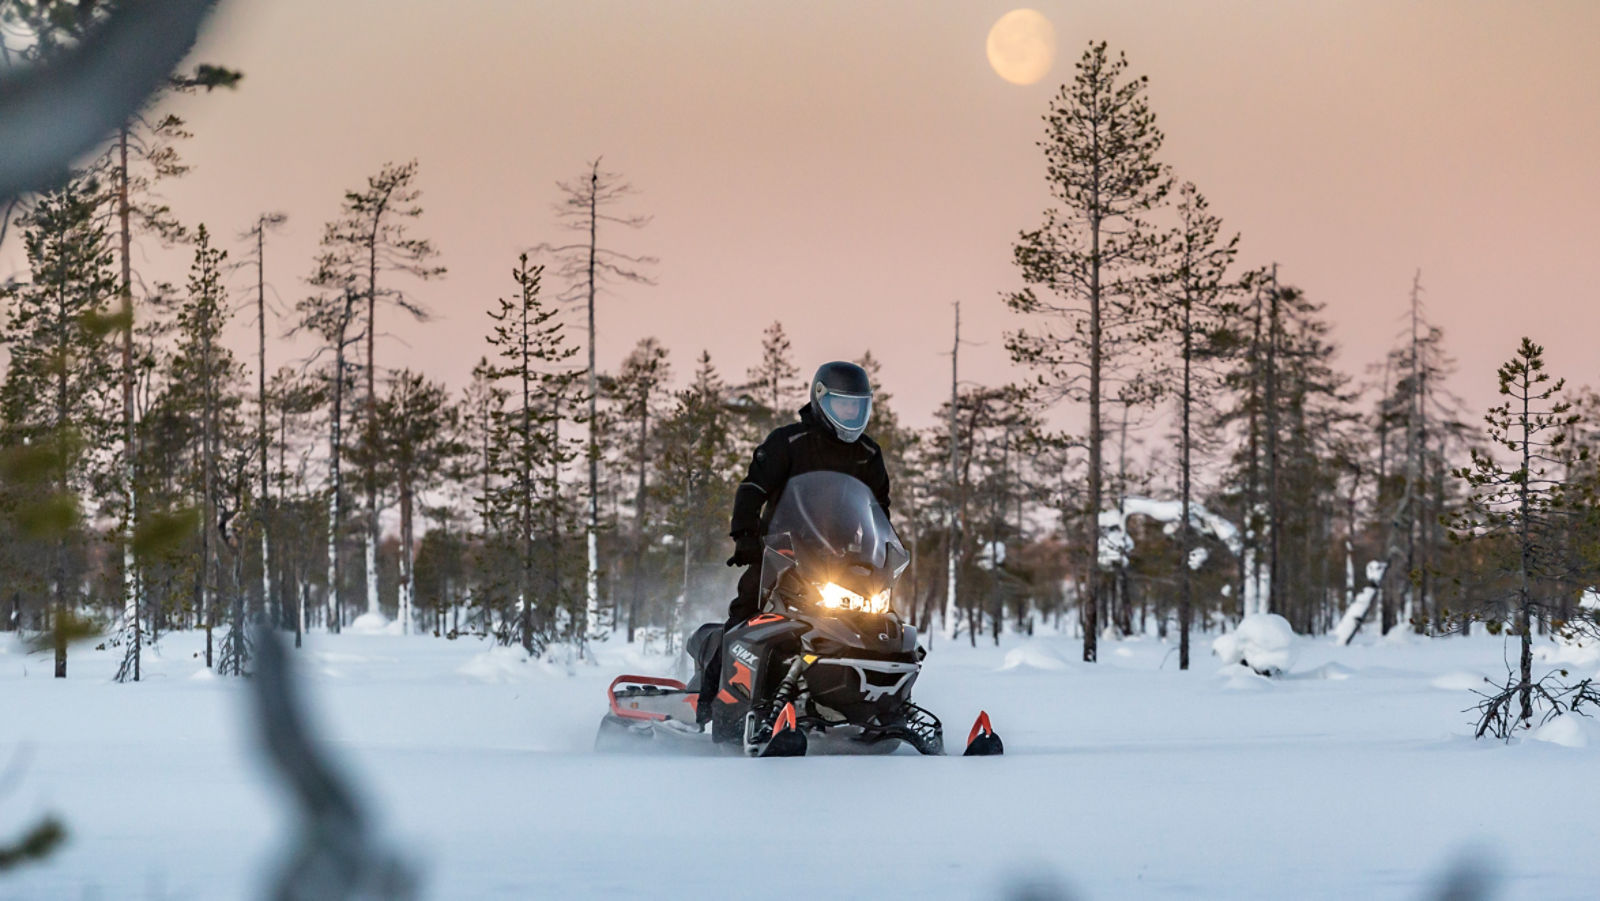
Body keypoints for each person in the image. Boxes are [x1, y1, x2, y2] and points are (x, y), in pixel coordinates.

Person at [695, 361, 890, 722]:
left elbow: (879, 508)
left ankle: (875, 707)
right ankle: (712, 702)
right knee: (746, 612)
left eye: (857, 405)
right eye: (843, 404)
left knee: (875, 625)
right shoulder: (789, 442)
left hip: (846, 562)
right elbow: (753, 488)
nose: (850, 412)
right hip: (782, 555)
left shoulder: (868, 453)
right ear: (821, 401)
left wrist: (885, 554)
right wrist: (746, 536)